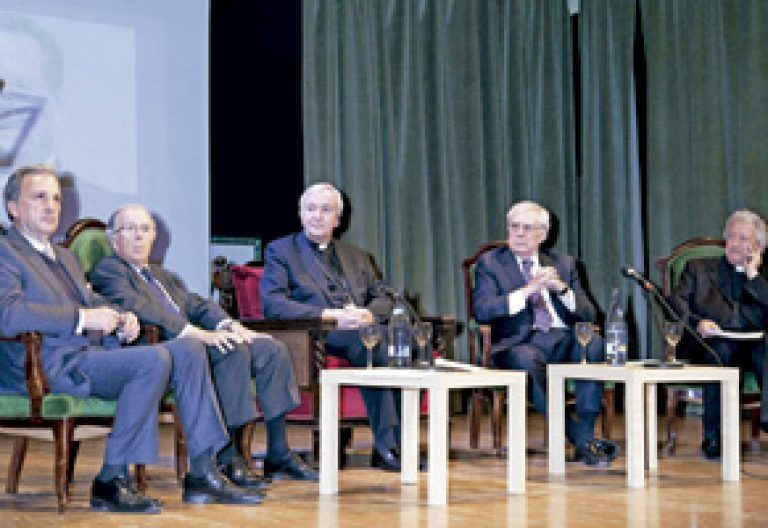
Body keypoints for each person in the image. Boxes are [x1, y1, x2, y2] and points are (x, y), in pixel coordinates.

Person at [0, 165, 264, 513]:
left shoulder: (63, 255)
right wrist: (83, 318)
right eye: (39, 198)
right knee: (154, 359)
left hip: (85, 356)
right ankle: (111, 480)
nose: (51, 206)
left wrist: (120, 317)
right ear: (13, 207)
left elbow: (90, 301)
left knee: (188, 347)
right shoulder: (7, 251)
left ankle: (203, 471)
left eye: (56, 198)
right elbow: (9, 314)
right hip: (41, 364)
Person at [90, 204, 317, 482]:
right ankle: (228, 455)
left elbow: (197, 305)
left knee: (270, 348)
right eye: (130, 229)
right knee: (231, 350)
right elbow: (145, 310)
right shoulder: (110, 270)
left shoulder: (162, 276)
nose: (139, 236)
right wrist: (197, 334)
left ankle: (279, 453)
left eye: (146, 229)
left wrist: (231, 326)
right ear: (114, 239)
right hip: (163, 351)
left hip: (196, 344)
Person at [261, 182, 407, 472]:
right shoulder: (281, 251)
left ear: (338, 219)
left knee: (402, 345)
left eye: (326, 210)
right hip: (314, 334)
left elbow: (383, 295)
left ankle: (399, 443)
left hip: (361, 327)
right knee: (371, 346)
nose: (317, 216)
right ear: (300, 214)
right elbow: (273, 303)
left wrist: (366, 313)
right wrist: (331, 316)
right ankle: (387, 446)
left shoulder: (357, 256)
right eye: (311, 209)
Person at [472, 200, 618, 466]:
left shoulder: (563, 264)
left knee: (594, 344)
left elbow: (590, 315)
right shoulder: (490, 264)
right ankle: (582, 440)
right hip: (518, 344)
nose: (518, 233)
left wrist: (561, 289)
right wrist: (527, 291)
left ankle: (585, 429)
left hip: (561, 340)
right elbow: (482, 310)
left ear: (543, 234)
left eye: (527, 228)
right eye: (514, 227)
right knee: (526, 358)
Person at [669, 209, 768, 459]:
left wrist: (753, 276)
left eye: (743, 239)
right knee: (720, 350)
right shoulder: (698, 269)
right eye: (731, 237)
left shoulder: (763, 277)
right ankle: (714, 436)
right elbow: (673, 305)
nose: (734, 244)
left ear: (759, 247)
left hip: (753, 344)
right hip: (707, 343)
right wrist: (698, 322)